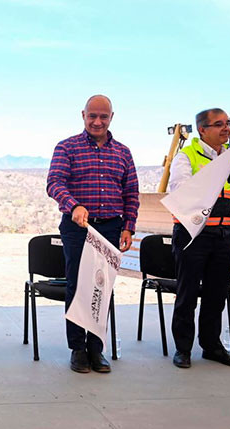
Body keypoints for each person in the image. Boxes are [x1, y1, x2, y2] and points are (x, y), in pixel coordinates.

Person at [47, 95, 138, 374]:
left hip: (110, 228)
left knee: (103, 288)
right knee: (77, 287)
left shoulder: (123, 152)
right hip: (78, 228)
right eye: (92, 116)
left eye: (103, 116)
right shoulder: (67, 147)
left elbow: (131, 192)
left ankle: (97, 349)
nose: (97, 121)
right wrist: (73, 205)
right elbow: (54, 183)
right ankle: (77, 349)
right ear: (83, 115)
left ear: (112, 117)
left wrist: (129, 226)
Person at [167, 108, 230, 369]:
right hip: (193, 237)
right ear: (202, 129)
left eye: (228, 123)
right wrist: (213, 172)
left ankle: (212, 346)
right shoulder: (186, 156)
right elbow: (181, 192)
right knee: (187, 293)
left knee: (217, 294)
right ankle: (183, 349)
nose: (226, 129)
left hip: (223, 236)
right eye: (219, 124)